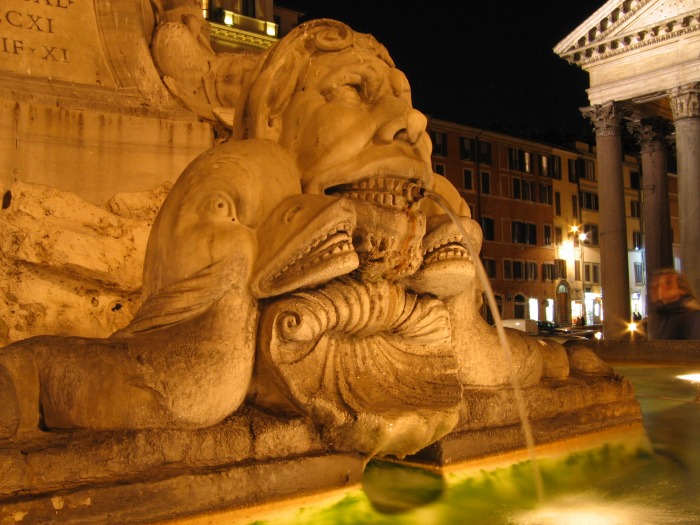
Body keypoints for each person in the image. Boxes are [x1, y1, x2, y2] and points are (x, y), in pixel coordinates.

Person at [647, 269, 700, 340]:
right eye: (660, 283)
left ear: (682, 290)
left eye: (668, 283)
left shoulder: (692, 316)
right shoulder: (666, 315)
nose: (662, 286)